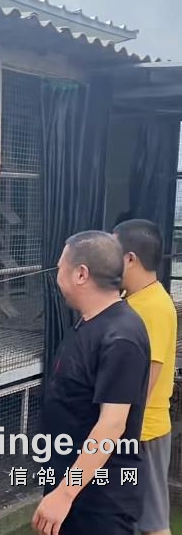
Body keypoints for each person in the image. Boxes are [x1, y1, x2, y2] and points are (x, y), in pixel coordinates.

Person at [32, 230, 150, 535]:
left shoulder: (121, 337)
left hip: (99, 501)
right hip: (72, 485)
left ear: (81, 274)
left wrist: (65, 493)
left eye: (60, 268)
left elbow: (112, 424)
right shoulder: (89, 322)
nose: (57, 277)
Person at [113, 219, 177, 535]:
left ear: (130, 259)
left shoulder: (152, 308)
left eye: (112, 253)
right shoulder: (136, 301)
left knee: (153, 524)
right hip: (133, 432)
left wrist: (112, 425)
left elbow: (145, 381)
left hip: (144, 433)